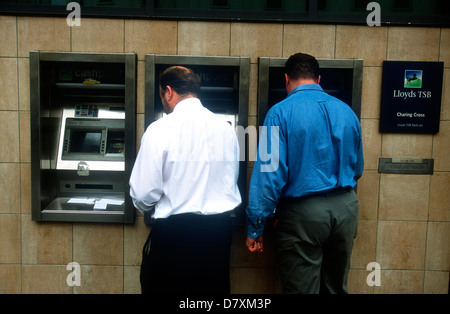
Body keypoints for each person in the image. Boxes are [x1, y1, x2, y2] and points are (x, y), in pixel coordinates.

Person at [245, 53, 364, 294]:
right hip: (346, 211)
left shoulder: (278, 113)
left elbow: (268, 175)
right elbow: (358, 167)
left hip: (303, 215)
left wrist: (256, 226)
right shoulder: (347, 112)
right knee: (335, 288)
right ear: (318, 78)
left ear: (286, 79)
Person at [130, 66, 241, 294]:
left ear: (168, 92)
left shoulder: (159, 129)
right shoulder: (226, 129)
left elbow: (143, 194)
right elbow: (229, 179)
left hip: (175, 234)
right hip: (217, 233)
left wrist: (148, 205)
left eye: (163, 95)